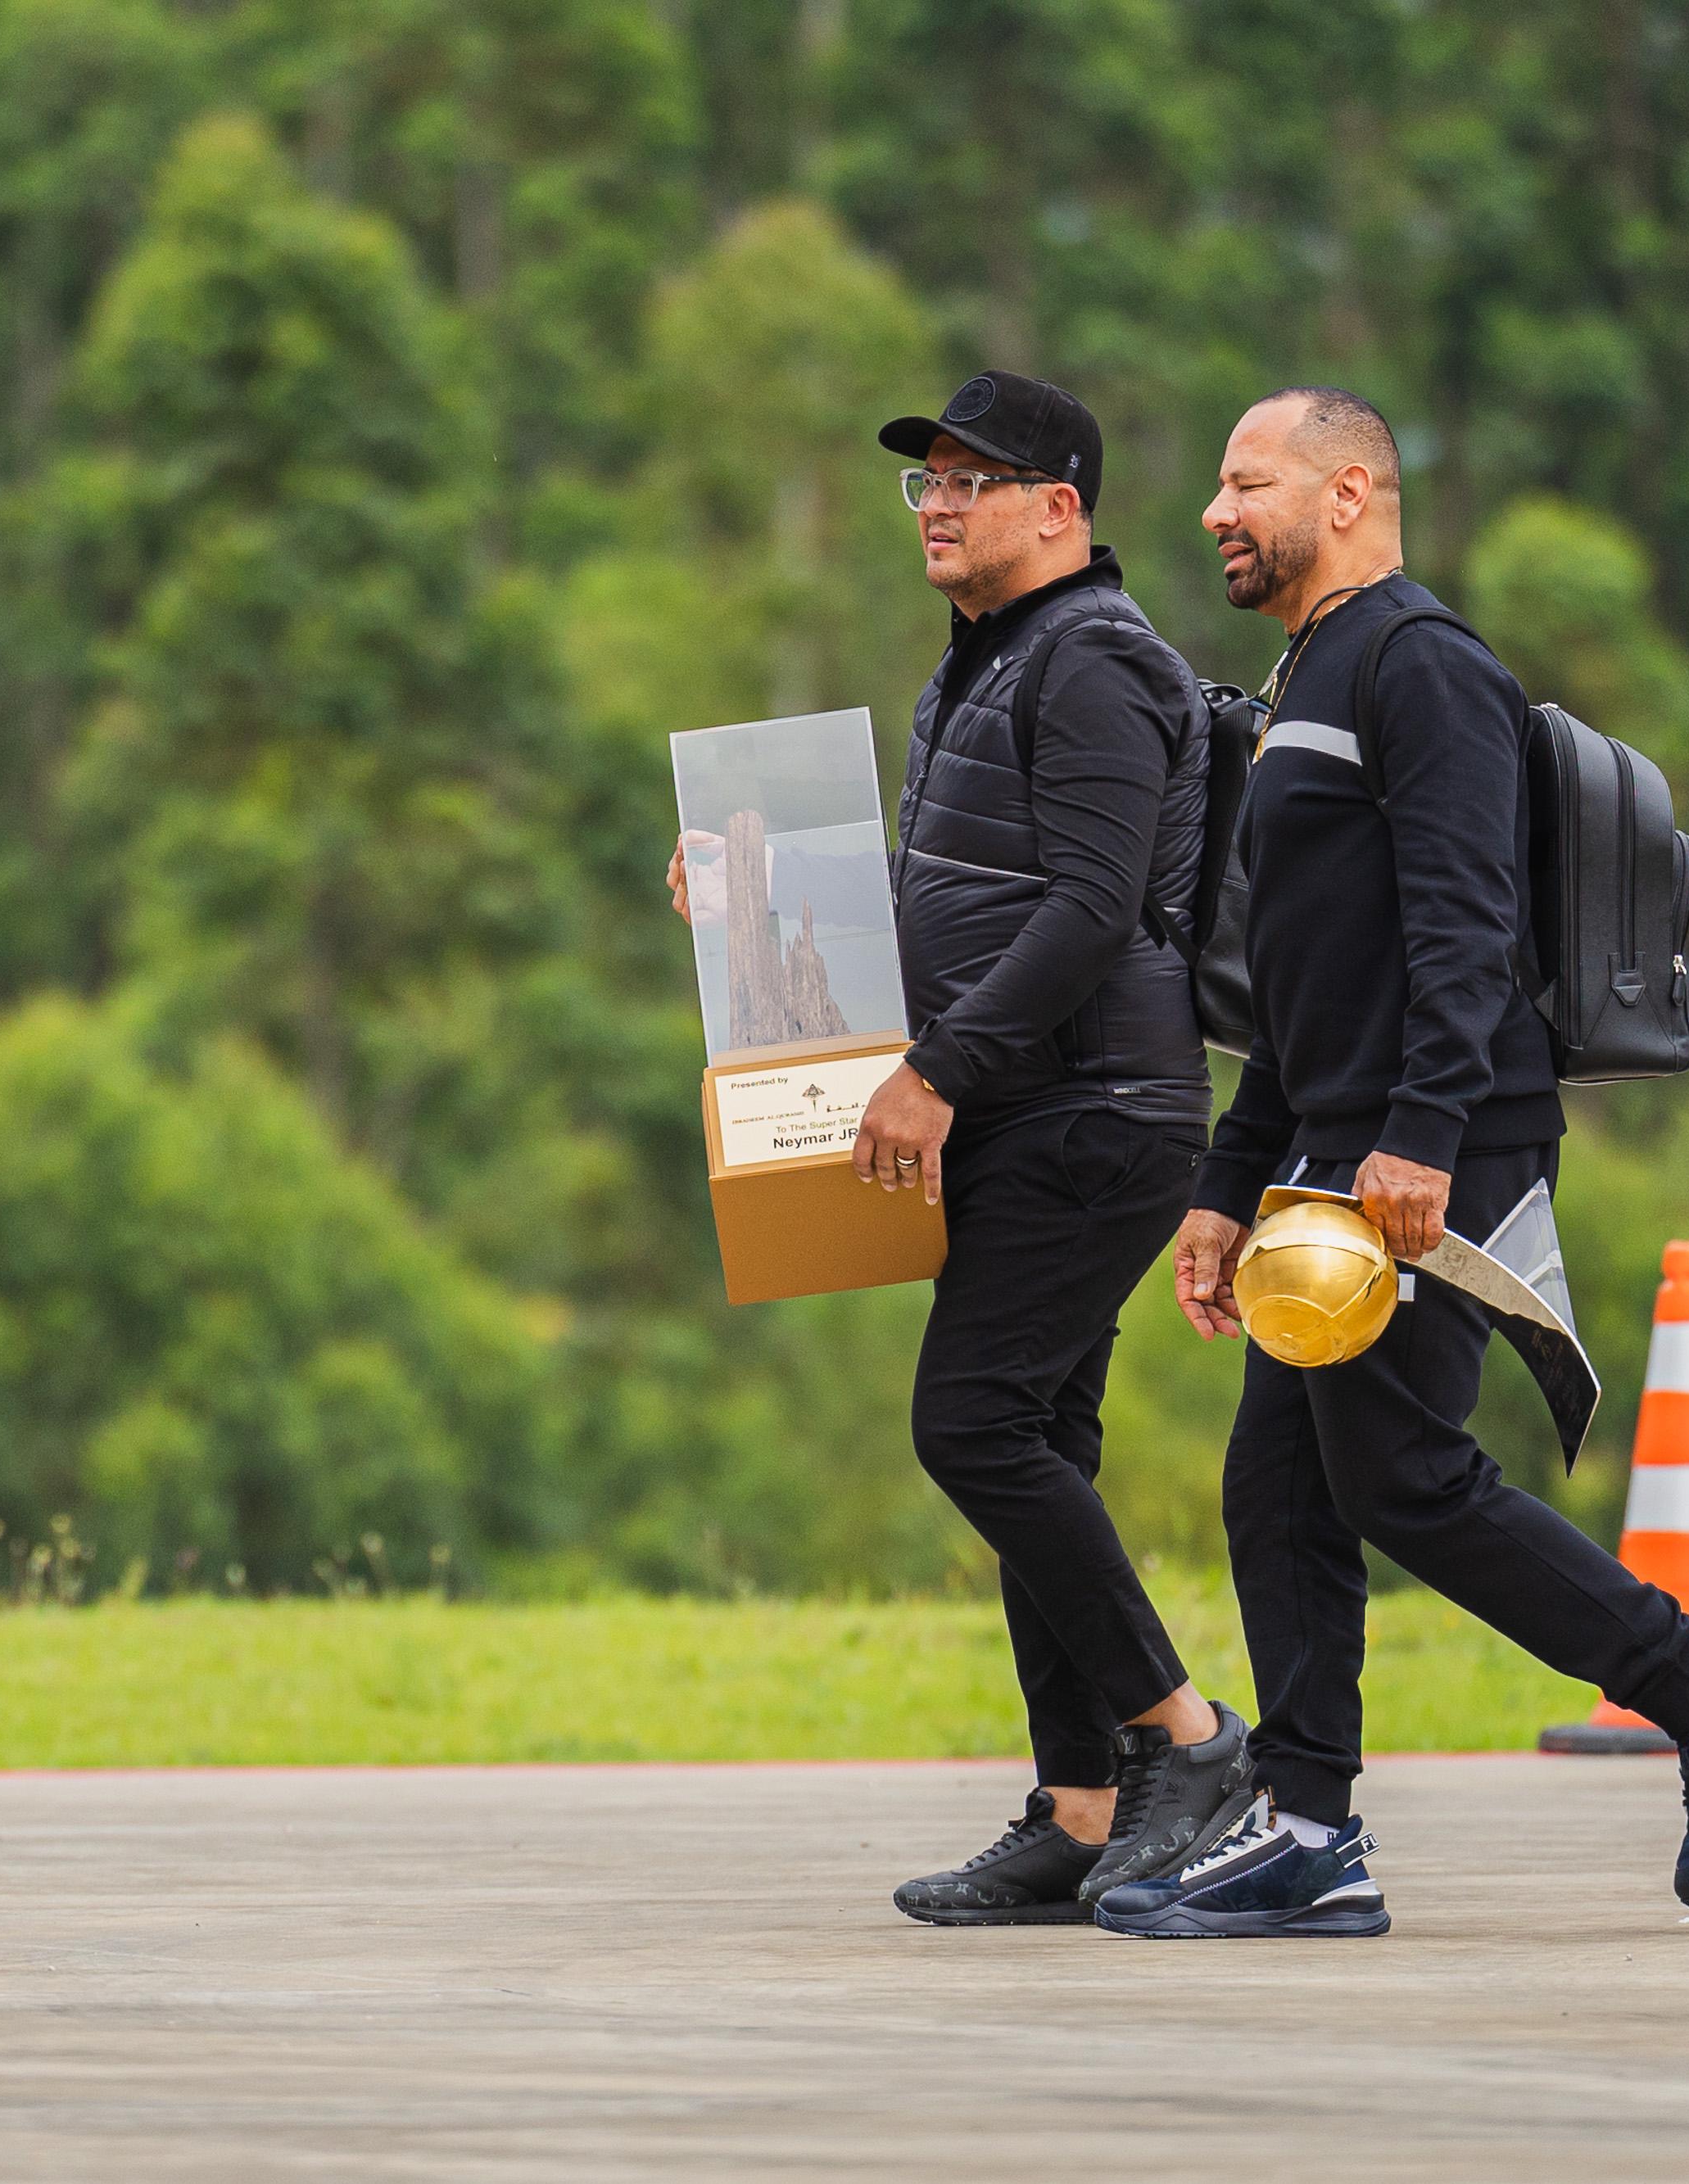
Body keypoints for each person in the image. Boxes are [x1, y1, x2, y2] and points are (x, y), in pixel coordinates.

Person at [1093, 387, 1689, 1942]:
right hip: (1329, 1148)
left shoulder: (1421, 666)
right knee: (1280, 1488)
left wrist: (1423, 1134)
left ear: (1350, 491)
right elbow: (1296, 977)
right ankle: (1306, 1826)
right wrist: (1233, 1183)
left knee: (1401, 1477)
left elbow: (1467, 923)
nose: (1218, 511)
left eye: (1250, 482)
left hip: (1431, 1140)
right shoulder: (1311, 673)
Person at [663, 371, 1253, 1924]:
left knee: (974, 1422)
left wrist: (933, 1072)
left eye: (970, 481)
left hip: (1095, 1109)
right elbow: (938, 910)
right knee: (1035, 1440)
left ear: (1060, 509)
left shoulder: (1101, 663)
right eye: (923, 482)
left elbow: (1091, 905)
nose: (935, 502)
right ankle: (1075, 1806)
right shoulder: (979, 674)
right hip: (1018, 1106)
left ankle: (1187, 1742)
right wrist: (745, 902)